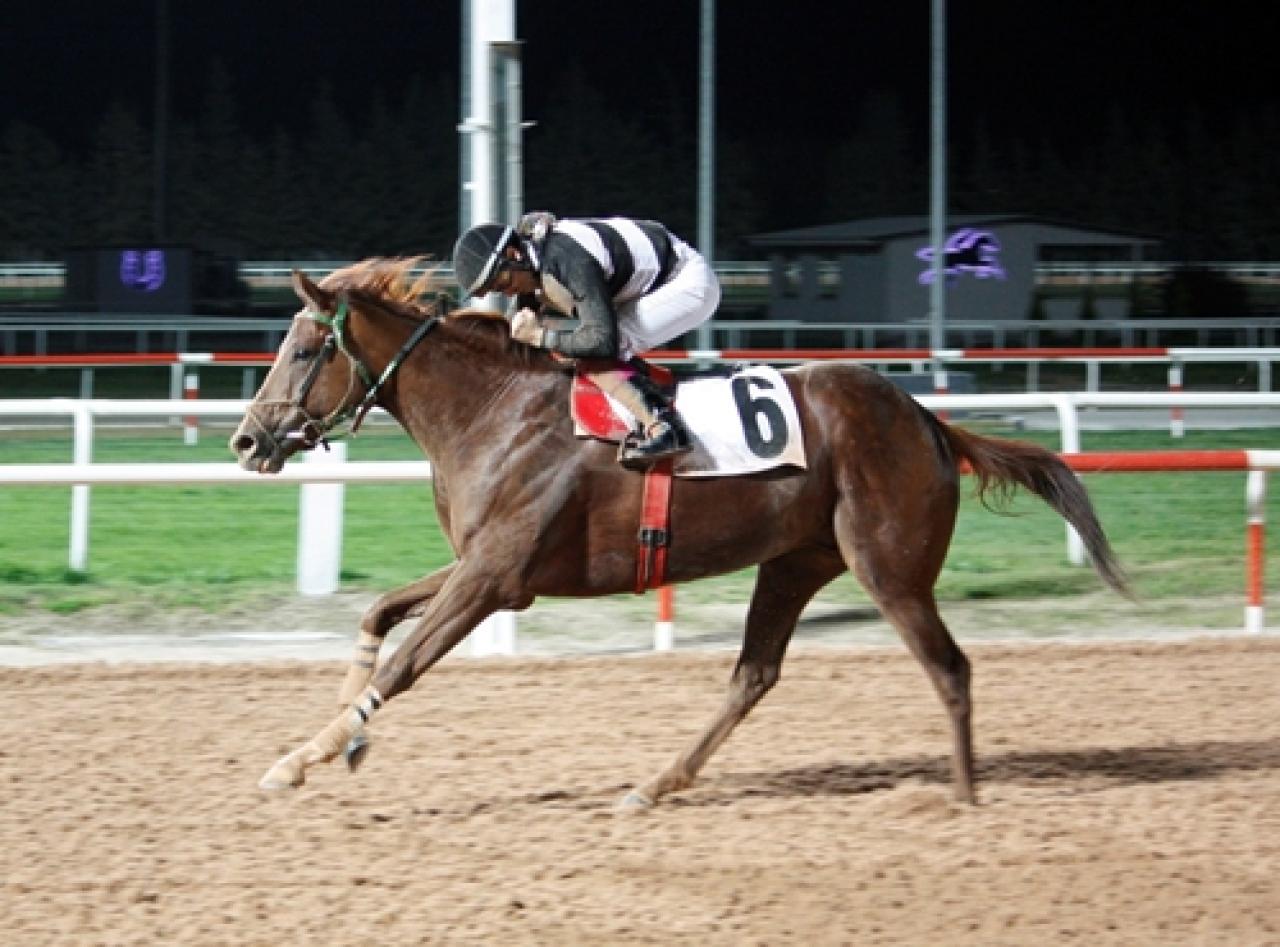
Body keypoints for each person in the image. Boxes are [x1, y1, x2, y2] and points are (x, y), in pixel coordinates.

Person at [451, 212, 720, 469]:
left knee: (595, 352)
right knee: (576, 346)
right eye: (497, 291)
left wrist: (541, 336)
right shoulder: (532, 256)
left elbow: (602, 342)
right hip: (656, 273)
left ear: (513, 255)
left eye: (503, 282)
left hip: (686, 282)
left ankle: (665, 427)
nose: (507, 293)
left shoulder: (567, 259)